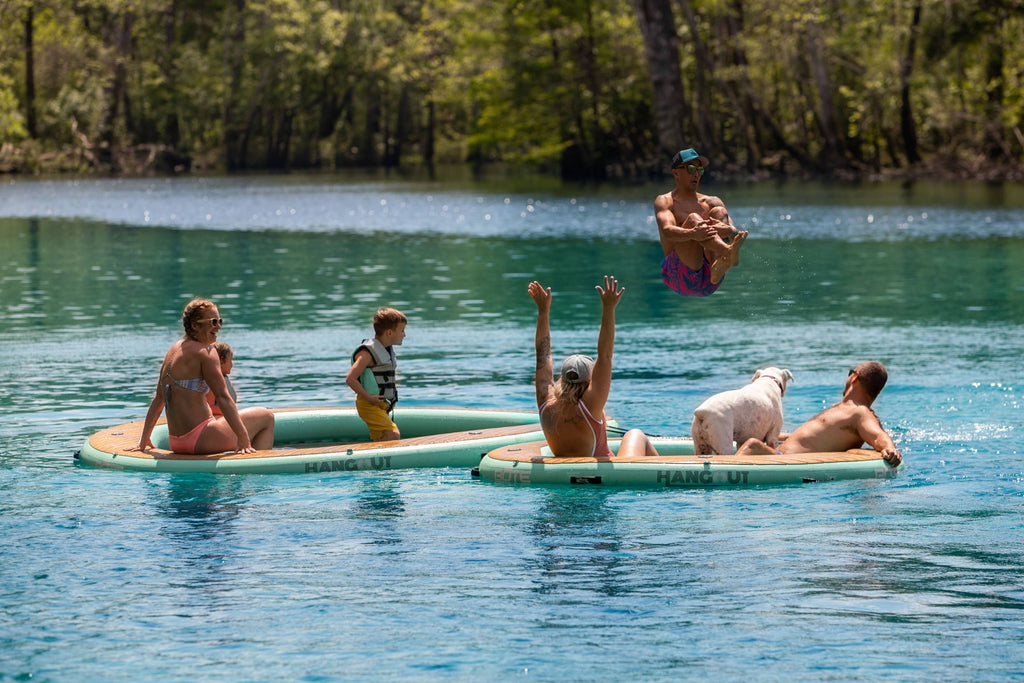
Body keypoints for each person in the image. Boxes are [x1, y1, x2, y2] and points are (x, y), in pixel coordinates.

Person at [529, 276, 658, 458]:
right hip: (608, 478)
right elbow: (605, 355)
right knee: (634, 434)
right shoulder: (591, 403)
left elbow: (543, 355)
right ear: (590, 380)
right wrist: (609, 308)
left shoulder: (546, 404)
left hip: (565, 476)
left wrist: (543, 311)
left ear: (563, 378)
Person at [130, 299, 275, 455]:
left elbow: (159, 399)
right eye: (213, 322)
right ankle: (256, 464)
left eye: (220, 321)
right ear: (194, 325)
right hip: (202, 439)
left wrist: (144, 439)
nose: (218, 327)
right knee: (266, 416)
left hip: (176, 442)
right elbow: (223, 397)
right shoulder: (206, 352)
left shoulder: (173, 350)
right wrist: (243, 438)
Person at [735, 361, 902, 466]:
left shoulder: (860, 413)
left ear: (855, 377)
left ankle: (721, 470)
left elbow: (878, 435)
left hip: (786, 461)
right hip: (778, 453)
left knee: (752, 444)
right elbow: (808, 439)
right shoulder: (842, 409)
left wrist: (890, 449)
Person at [655, 148, 748, 297]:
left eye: (699, 170)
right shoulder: (666, 201)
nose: (696, 174)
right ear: (675, 173)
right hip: (679, 277)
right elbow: (667, 230)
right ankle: (727, 252)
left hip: (711, 281)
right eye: (691, 169)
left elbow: (734, 233)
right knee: (694, 219)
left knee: (720, 212)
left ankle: (718, 264)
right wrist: (693, 233)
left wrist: (730, 231)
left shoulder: (711, 201)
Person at [346, 307, 407, 441]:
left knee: (382, 437)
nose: (404, 334)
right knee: (393, 435)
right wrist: (368, 397)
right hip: (368, 404)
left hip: (380, 404)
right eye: (402, 330)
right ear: (389, 332)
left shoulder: (386, 351)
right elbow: (350, 379)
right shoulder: (367, 353)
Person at [206, 342, 237, 416]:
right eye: (230, 360)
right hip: (217, 420)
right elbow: (209, 407)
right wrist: (233, 413)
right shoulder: (212, 381)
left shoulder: (221, 378)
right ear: (221, 361)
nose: (232, 364)